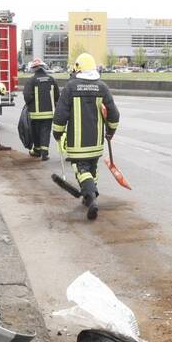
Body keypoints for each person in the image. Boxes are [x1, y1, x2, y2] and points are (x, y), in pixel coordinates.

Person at [51, 53, 120, 220]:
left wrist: (57, 132)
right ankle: (90, 194)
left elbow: (60, 114)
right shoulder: (102, 87)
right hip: (96, 142)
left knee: (81, 169)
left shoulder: (70, 87)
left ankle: (91, 199)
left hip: (78, 142)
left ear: (78, 69)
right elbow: (114, 115)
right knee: (92, 169)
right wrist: (110, 132)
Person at [22, 59, 59, 160]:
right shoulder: (51, 79)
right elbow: (57, 96)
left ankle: (37, 150)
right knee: (45, 132)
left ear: (34, 69)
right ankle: (44, 153)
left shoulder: (31, 81)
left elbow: (27, 96)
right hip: (49, 113)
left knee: (36, 132)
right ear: (43, 67)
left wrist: (30, 104)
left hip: (35, 114)